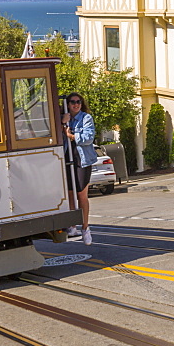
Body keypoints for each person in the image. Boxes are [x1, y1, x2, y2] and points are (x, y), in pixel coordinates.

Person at [60, 92, 96, 245]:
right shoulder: (64, 120)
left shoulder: (86, 118)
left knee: (81, 194)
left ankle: (85, 228)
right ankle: (72, 225)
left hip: (82, 160)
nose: (76, 104)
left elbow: (89, 138)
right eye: (73, 102)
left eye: (78, 102)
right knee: (69, 194)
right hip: (67, 160)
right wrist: (62, 123)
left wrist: (72, 136)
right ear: (67, 104)